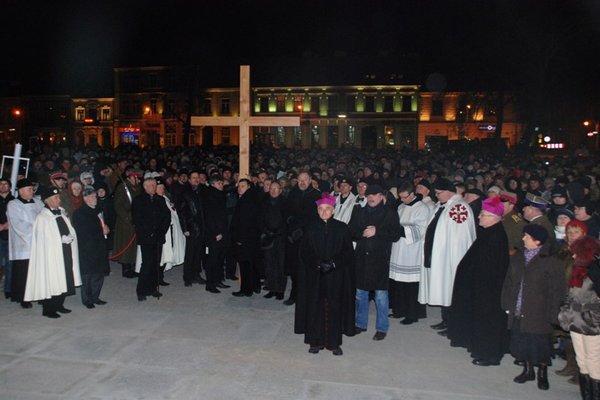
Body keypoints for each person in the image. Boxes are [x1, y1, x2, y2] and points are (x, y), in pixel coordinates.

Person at [501, 224, 565, 391]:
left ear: (537, 241)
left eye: (527, 236)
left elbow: (557, 290)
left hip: (539, 310)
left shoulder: (550, 261)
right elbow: (509, 280)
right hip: (518, 307)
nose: (523, 238)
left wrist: (554, 313)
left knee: (540, 344)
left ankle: (542, 373)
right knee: (522, 341)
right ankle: (528, 370)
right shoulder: (518, 256)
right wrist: (507, 302)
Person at [447, 197, 510, 366]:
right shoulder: (488, 232)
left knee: (488, 321)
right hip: (480, 287)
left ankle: (490, 355)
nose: (479, 217)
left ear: (493, 217)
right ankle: (480, 348)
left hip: (488, 290)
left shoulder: (496, 236)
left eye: (483, 214)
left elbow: (489, 267)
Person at [294, 192, 356, 355]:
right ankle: (315, 342)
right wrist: (317, 263)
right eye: (320, 209)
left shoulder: (342, 228)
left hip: (336, 276)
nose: (324, 212)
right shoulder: (311, 228)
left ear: (333, 210)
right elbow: (304, 252)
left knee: (335, 307)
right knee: (315, 307)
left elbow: (348, 252)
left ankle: (333, 343)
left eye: (327, 209)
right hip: (315, 275)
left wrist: (334, 263)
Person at [419, 178, 477, 333]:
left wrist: (455, 261)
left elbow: (461, 239)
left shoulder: (459, 208)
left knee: (450, 289)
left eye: (438, 193)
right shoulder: (442, 206)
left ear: (449, 192)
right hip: (439, 256)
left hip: (451, 259)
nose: (436, 196)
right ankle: (446, 320)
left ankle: (453, 323)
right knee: (444, 289)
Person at [349, 184, 402, 341]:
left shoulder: (390, 213)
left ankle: (382, 327)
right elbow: (351, 231)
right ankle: (360, 324)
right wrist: (362, 233)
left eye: (375, 195)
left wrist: (377, 232)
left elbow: (396, 234)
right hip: (361, 258)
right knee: (360, 293)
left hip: (380, 259)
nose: (371, 198)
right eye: (369, 195)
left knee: (380, 295)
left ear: (381, 197)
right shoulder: (359, 211)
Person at [24, 186, 82, 318]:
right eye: (56, 198)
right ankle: (48, 309)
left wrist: (70, 236)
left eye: (59, 197)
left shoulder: (61, 212)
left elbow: (68, 228)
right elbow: (42, 239)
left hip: (65, 251)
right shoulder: (43, 218)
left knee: (65, 276)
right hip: (51, 255)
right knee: (52, 279)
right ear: (47, 200)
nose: (59, 200)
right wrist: (59, 239)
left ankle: (59, 304)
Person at [558, 235, 600, 400]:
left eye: (576, 252)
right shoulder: (576, 271)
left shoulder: (595, 271)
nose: (573, 256)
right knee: (582, 361)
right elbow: (570, 296)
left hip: (591, 324)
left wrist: (593, 318)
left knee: (594, 361)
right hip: (576, 321)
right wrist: (565, 314)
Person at [388, 181, 431, 325]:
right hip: (398, 249)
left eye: (405, 197)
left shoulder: (422, 209)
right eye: (400, 197)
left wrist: (399, 229)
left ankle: (412, 314)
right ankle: (399, 310)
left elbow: (421, 229)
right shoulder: (400, 206)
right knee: (398, 283)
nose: (402, 200)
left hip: (412, 251)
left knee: (411, 285)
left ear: (412, 194)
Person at [132, 177, 171, 301]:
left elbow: (166, 217)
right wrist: (148, 233)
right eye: (151, 185)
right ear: (145, 187)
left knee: (156, 263)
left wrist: (161, 232)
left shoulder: (160, 199)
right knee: (147, 263)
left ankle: (153, 288)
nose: (153, 187)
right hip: (146, 238)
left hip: (158, 237)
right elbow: (137, 220)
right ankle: (141, 290)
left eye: (154, 185)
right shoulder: (138, 200)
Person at [285, 172, 321, 305]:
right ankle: (294, 294)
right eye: (300, 180)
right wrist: (289, 220)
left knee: (308, 268)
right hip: (293, 237)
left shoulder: (317, 195)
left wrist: (303, 230)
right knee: (294, 268)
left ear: (310, 180)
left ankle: (308, 296)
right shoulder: (293, 193)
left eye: (304, 180)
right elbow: (287, 210)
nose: (302, 182)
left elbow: (318, 217)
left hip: (309, 238)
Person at [6, 178, 43, 307]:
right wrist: (36, 231)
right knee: (24, 272)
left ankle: (39, 294)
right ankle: (24, 298)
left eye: (32, 189)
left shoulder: (38, 202)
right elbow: (18, 224)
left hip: (39, 241)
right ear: (21, 191)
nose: (32, 191)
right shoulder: (13, 204)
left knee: (38, 271)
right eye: (29, 189)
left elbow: (44, 217)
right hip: (24, 244)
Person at [72, 186, 110, 309]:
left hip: (100, 246)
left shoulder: (98, 209)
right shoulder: (80, 213)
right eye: (92, 197)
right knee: (88, 275)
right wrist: (101, 231)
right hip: (87, 248)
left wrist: (106, 228)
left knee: (99, 274)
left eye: (95, 196)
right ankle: (87, 299)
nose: (95, 199)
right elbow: (84, 231)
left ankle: (95, 296)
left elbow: (103, 223)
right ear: (85, 198)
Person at [230, 179, 261, 297]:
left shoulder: (247, 201)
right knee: (250, 263)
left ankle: (246, 289)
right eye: (239, 186)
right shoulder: (251, 198)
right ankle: (253, 287)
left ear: (248, 187)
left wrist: (240, 238)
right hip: (250, 238)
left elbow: (245, 222)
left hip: (245, 238)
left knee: (245, 265)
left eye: (243, 186)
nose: (239, 188)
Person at [258, 181, 288, 300]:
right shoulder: (264, 202)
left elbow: (288, 220)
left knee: (280, 264)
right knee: (269, 264)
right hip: (268, 237)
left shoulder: (286, 203)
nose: (274, 191)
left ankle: (280, 290)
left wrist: (279, 231)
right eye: (271, 188)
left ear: (281, 190)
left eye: (276, 189)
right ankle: (271, 288)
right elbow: (259, 219)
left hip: (281, 238)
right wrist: (266, 231)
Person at [177, 169, 207, 287]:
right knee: (190, 253)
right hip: (191, 226)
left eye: (197, 177)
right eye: (194, 177)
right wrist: (185, 228)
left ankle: (196, 275)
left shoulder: (202, 191)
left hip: (201, 226)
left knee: (198, 253)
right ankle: (187, 277)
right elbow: (182, 212)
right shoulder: (185, 192)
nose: (196, 179)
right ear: (189, 180)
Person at [155, 176, 185, 285]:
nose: (161, 190)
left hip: (169, 231)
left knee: (166, 254)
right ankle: (157, 277)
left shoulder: (165, 199)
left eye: (162, 187)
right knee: (160, 255)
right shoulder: (154, 200)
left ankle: (160, 276)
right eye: (159, 187)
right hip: (161, 232)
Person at [112, 167, 142, 278]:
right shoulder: (122, 187)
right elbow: (118, 205)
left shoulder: (137, 188)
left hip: (136, 219)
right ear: (130, 177)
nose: (138, 180)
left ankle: (133, 265)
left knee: (134, 245)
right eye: (136, 177)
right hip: (126, 222)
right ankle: (126, 268)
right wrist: (127, 217)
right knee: (126, 244)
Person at [203, 175, 230, 293]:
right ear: (213, 184)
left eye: (222, 183)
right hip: (215, 233)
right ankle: (210, 283)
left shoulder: (219, 195)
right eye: (219, 183)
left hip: (222, 231)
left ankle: (218, 280)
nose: (222, 185)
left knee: (220, 258)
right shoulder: (210, 196)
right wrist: (216, 232)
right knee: (213, 259)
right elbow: (210, 217)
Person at [0, 178, 14, 299]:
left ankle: (8, 289)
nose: (3, 186)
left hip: (11, 237)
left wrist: (5, 226)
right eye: (1, 184)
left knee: (10, 265)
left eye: (5, 184)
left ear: (10, 186)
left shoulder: (14, 200)